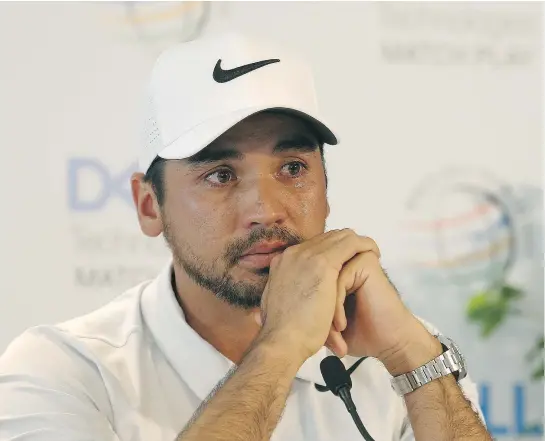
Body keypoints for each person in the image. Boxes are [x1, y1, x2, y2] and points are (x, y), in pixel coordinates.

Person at [0, 33, 492, 441]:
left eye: (294, 168)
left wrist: (412, 355)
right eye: (219, 175)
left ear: (326, 191)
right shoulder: (64, 371)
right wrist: (280, 347)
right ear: (150, 206)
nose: (266, 209)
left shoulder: (399, 351)